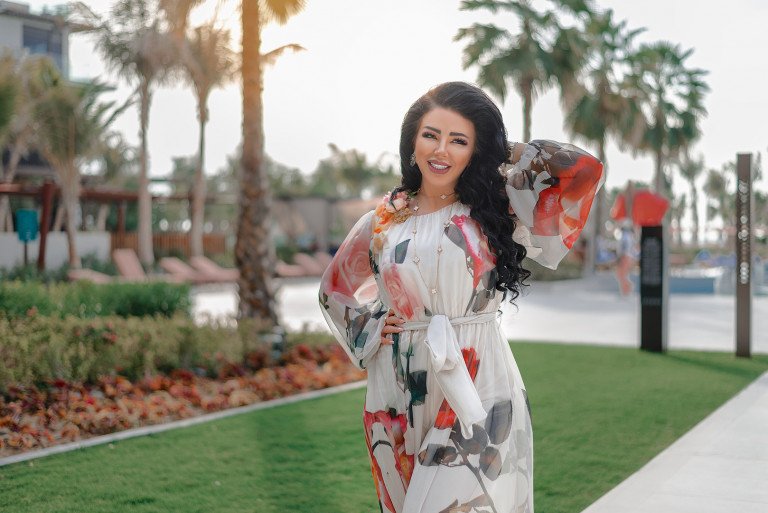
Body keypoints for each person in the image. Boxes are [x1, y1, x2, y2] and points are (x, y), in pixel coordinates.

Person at [318, 82, 603, 513]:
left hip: (479, 378)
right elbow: (332, 290)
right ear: (412, 141)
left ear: (475, 151)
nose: (442, 150)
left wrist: (498, 147)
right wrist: (372, 326)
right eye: (431, 134)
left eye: (459, 140)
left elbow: (580, 168)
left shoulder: (497, 209)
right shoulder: (381, 222)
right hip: (399, 387)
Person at [615, 218, 637, 296]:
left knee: (621, 274)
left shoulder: (625, 236)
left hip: (625, 256)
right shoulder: (630, 236)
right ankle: (625, 290)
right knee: (623, 274)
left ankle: (627, 290)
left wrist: (620, 257)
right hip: (628, 257)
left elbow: (623, 248)